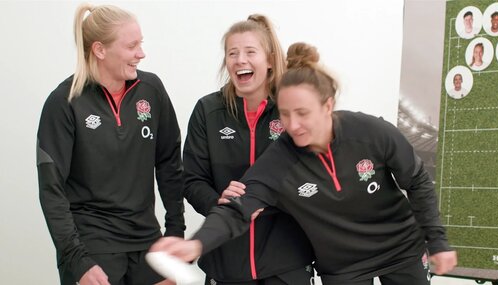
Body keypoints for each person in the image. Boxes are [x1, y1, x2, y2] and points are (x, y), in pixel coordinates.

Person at [152, 42, 458, 285]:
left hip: (401, 249)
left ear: (327, 106)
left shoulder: (371, 133)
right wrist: (196, 245)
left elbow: (417, 181)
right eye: (284, 114)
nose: (293, 125)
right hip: (343, 267)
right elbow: (238, 208)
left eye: (302, 113)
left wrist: (439, 241)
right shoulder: (281, 159)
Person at [36, 4, 184, 285]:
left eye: (141, 43)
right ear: (100, 50)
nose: (141, 53)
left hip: (147, 242)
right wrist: (77, 261)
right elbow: (51, 190)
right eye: (132, 46)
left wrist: (175, 232)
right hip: (92, 246)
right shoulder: (64, 103)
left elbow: (169, 164)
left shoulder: (152, 90)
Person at [182, 14, 314, 285]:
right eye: (232, 53)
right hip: (226, 262)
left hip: (286, 263)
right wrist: (217, 201)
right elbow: (192, 180)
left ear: (269, 60)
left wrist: (263, 200)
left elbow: (313, 177)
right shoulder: (208, 111)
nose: (240, 59)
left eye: (249, 52)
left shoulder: (291, 108)